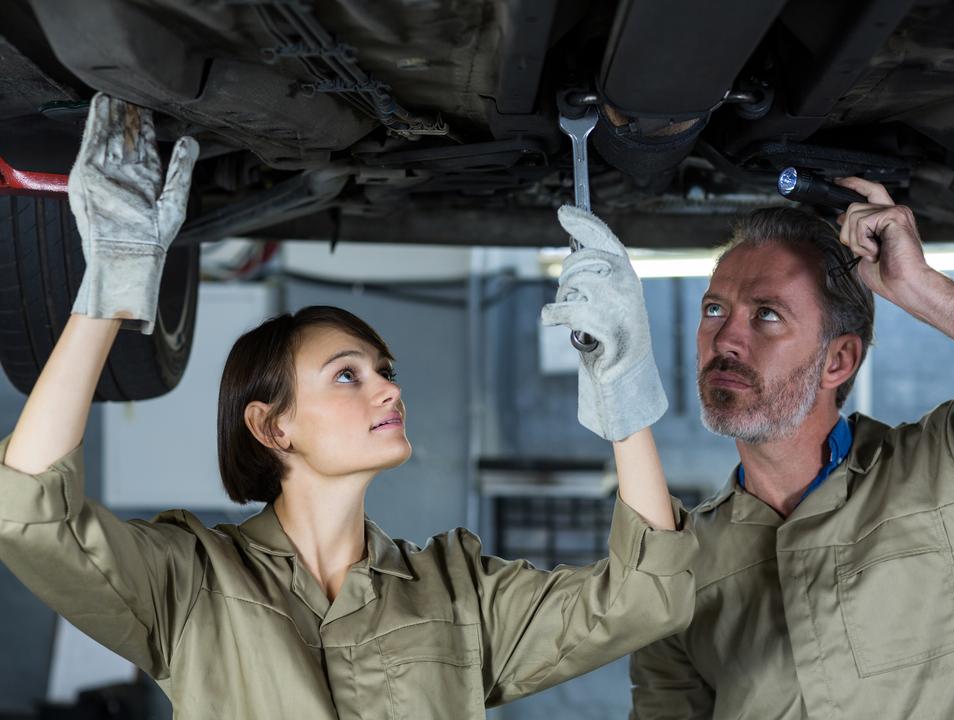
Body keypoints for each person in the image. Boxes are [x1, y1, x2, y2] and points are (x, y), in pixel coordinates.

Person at [0, 93, 697, 719]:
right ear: (273, 425)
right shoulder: (190, 585)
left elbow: (643, 599)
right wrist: (109, 292)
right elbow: (30, 516)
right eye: (347, 375)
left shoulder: (458, 597)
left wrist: (623, 385)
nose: (389, 388)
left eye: (383, 371)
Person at [624, 178, 954, 719]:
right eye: (715, 310)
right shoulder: (678, 570)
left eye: (766, 314)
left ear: (839, 361)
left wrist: (929, 293)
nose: (725, 340)